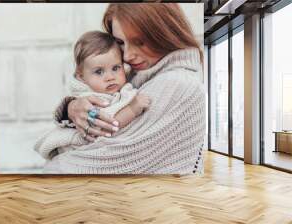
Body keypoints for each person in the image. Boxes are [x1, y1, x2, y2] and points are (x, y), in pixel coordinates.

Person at [46, 3, 205, 174]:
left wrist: (51, 169)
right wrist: (71, 108)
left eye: (140, 42)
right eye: (121, 42)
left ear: (165, 33)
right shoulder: (139, 75)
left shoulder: (177, 83)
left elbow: (111, 160)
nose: (127, 56)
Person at [34, 31, 150, 161]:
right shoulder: (92, 100)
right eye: (99, 71)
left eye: (116, 68)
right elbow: (102, 127)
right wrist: (133, 109)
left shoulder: (123, 87)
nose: (110, 77)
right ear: (81, 76)